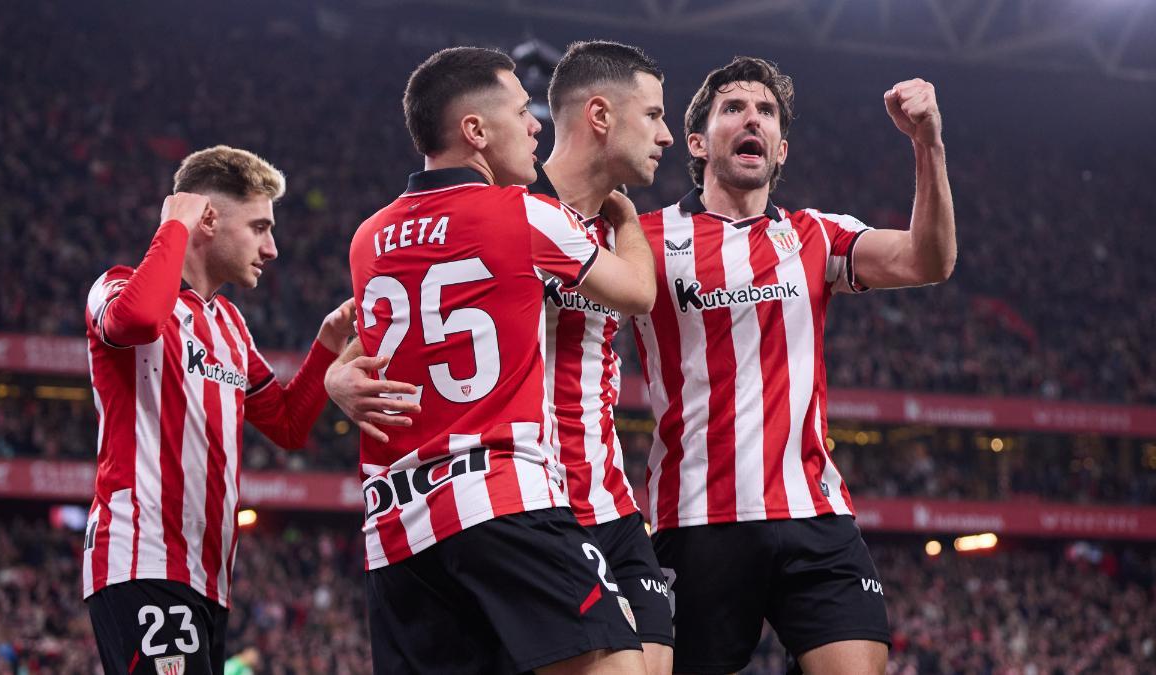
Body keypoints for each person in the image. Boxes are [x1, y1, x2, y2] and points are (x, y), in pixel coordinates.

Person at [337, 47, 656, 674]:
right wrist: (626, 218)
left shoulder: (368, 236)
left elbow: (373, 340)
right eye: (521, 111)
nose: (536, 124)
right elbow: (639, 292)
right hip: (501, 498)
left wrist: (331, 375)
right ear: (475, 132)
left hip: (395, 528)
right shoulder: (524, 214)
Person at [632, 57, 956, 674]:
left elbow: (929, 260)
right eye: (734, 107)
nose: (753, 117)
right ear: (697, 142)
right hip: (700, 520)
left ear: (781, 151)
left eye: (767, 112)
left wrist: (929, 145)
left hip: (816, 518)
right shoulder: (645, 240)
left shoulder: (817, 236)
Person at [82, 145, 369, 675]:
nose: (273, 247)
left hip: (209, 577)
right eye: (259, 227)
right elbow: (141, 321)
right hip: (142, 559)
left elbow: (286, 424)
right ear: (207, 218)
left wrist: (328, 344)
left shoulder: (231, 326)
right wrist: (176, 221)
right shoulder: (118, 286)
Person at [538, 39, 675, 675]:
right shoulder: (511, 213)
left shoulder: (613, 232)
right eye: (652, 115)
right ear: (600, 116)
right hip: (538, 507)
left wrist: (626, 223)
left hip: (615, 506)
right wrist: (348, 368)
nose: (668, 135)